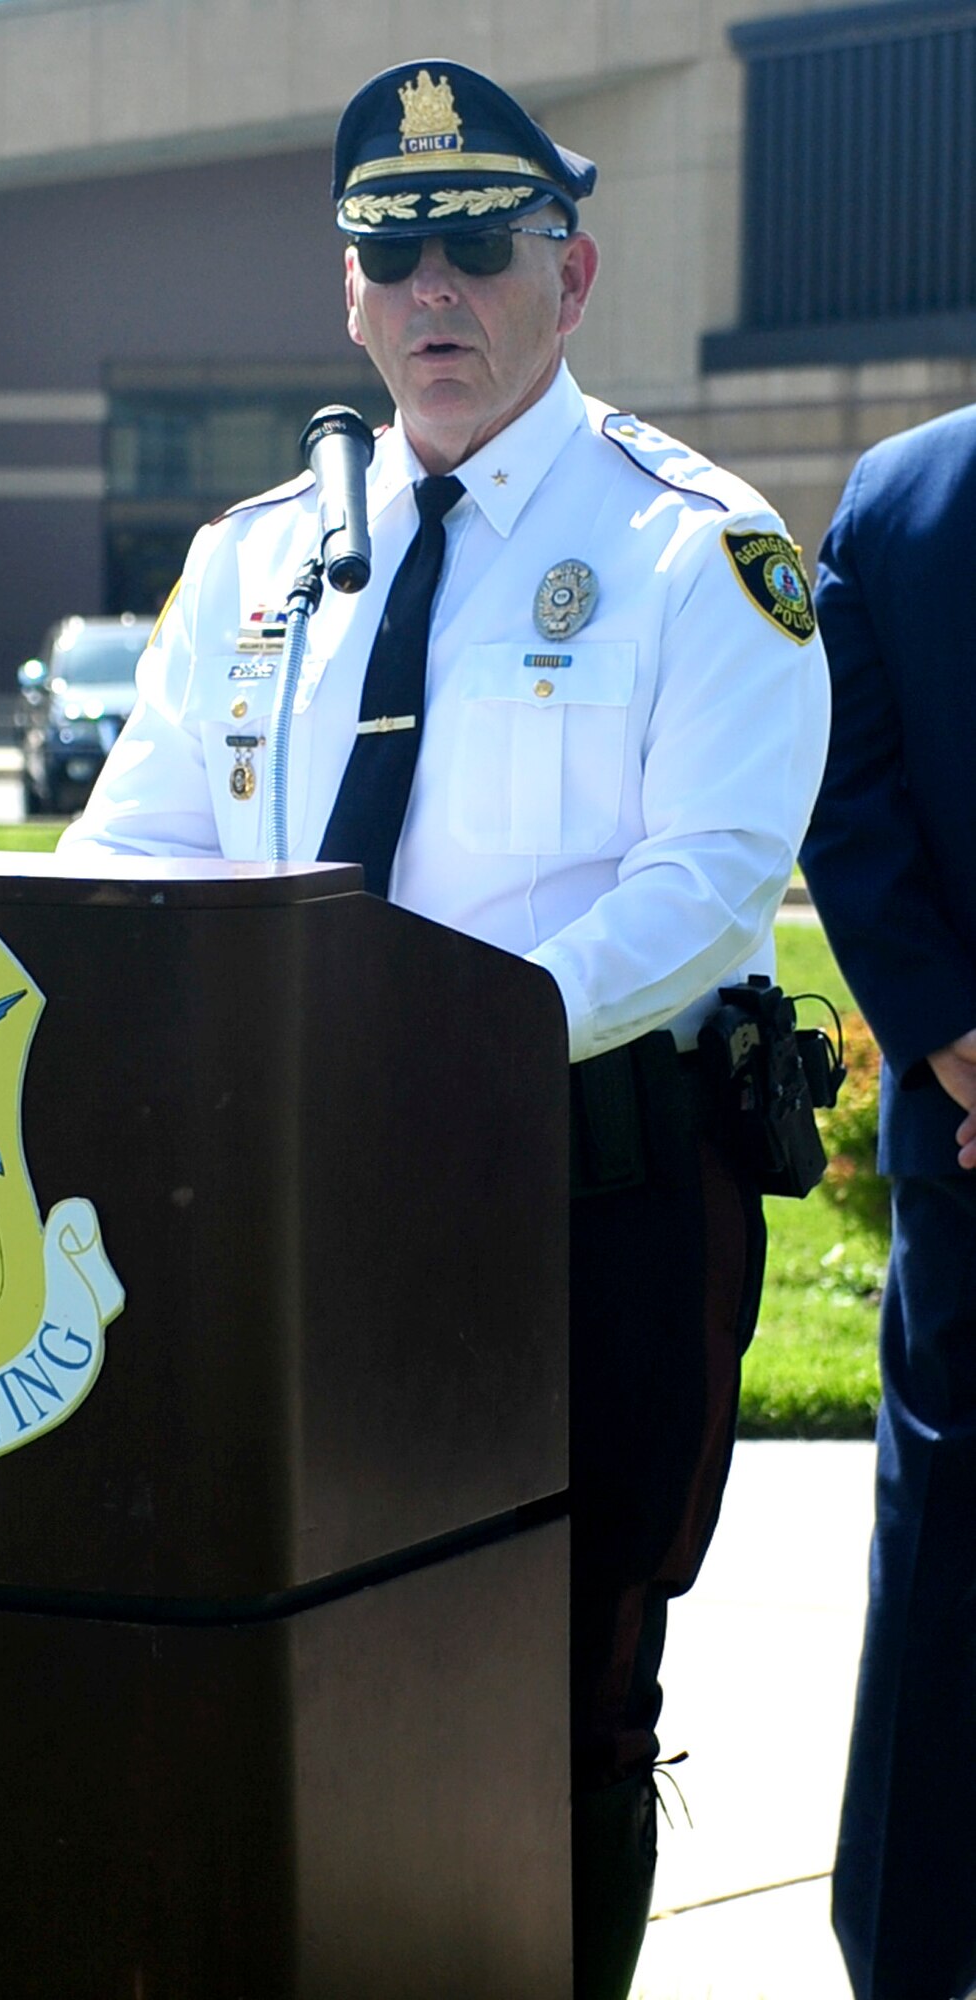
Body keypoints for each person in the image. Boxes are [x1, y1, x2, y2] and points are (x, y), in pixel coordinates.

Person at [62, 60, 830, 1996]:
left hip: (581, 1218)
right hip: (286, 1229)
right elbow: (131, 841)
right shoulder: (255, 564)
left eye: (476, 249)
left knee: (559, 1698)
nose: (433, 295)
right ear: (345, 292)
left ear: (568, 279)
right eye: (391, 254)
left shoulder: (690, 550)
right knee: (289, 1658)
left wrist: (433, 1049)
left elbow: (709, 881)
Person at [801, 407, 976, 2000]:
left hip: (965, 1140)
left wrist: (943, 1032)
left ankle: (907, 1958)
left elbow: (843, 805)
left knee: (939, 1572)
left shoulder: (896, 494)